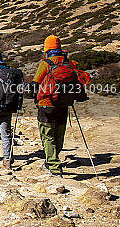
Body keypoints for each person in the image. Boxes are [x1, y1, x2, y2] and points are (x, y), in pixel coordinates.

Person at [29, 35, 86, 176]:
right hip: (64, 104)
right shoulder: (69, 63)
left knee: (47, 136)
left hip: (46, 104)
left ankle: (53, 166)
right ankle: (52, 159)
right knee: (59, 135)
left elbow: (35, 84)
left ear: (46, 48)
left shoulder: (46, 63)